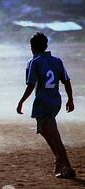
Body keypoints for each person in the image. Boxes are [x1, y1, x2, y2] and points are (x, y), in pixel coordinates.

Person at [17, 33, 76, 179]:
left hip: (43, 103)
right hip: (55, 101)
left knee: (54, 135)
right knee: (45, 130)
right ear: (46, 46)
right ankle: (59, 159)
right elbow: (66, 81)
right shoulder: (57, 61)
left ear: (32, 47)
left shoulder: (34, 62)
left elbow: (31, 85)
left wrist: (21, 101)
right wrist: (70, 99)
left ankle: (67, 166)